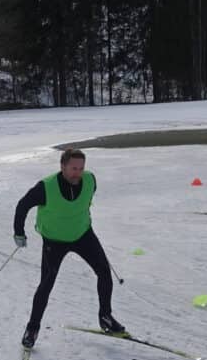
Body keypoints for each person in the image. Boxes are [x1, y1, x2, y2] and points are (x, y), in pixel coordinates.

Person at [12, 148, 124, 349]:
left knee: (104, 272)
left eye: (81, 168)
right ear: (62, 166)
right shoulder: (45, 187)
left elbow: (86, 201)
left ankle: (105, 317)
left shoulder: (90, 180)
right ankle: (32, 329)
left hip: (83, 234)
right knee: (46, 283)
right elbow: (22, 206)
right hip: (54, 240)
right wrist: (19, 233)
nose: (77, 173)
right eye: (73, 168)